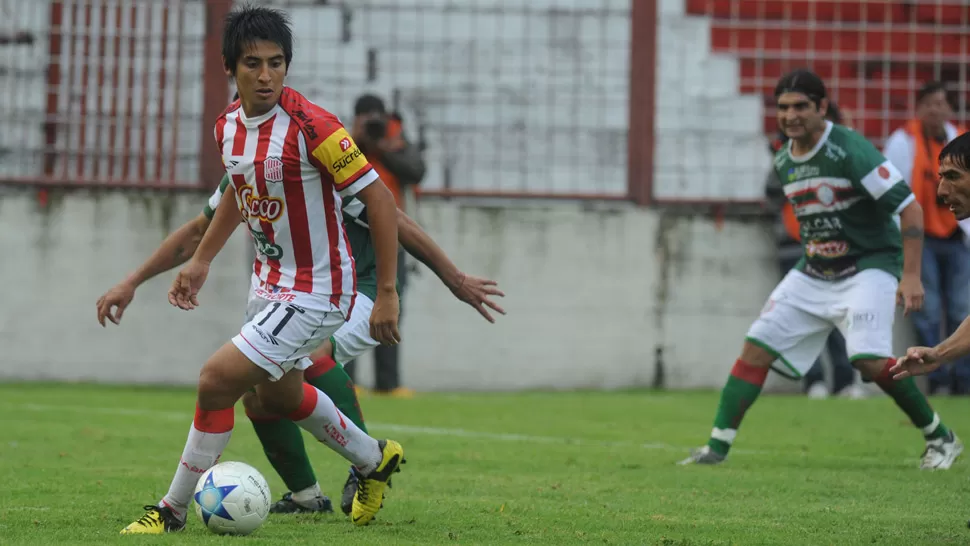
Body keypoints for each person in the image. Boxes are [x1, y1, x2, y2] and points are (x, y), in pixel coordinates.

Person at [115, 5, 404, 533]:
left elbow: (381, 203)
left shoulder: (316, 128)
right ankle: (373, 459)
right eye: (253, 63)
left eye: (276, 62)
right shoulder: (228, 127)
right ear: (231, 68)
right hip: (271, 286)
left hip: (320, 290)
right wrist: (201, 260)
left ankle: (171, 510)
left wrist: (386, 292)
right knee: (275, 396)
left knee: (215, 380)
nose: (266, 75)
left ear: (287, 66)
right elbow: (238, 193)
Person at [97, 172, 505, 517]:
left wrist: (454, 280)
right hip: (290, 293)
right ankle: (307, 496)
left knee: (311, 353)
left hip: (358, 289)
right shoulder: (242, 168)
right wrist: (131, 281)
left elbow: (396, 219)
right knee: (258, 395)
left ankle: (366, 465)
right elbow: (196, 233)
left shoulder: (317, 164)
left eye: (273, 69)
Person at [679, 69, 961, 469]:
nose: (790, 115)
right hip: (815, 269)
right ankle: (715, 449)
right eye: (783, 107)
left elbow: (910, 206)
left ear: (822, 107)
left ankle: (941, 437)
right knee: (756, 348)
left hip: (868, 266)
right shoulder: (783, 159)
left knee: (867, 358)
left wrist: (910, 275)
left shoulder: (848, 148)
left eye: (800, 106)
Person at [764, 100, 859, 399]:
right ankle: (814, 380)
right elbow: (770, 193)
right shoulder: (788, 156)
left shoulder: (847, 158)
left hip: (836, 248)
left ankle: (844, 381)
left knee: (837, 315)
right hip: (795, 246)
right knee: (802, 319)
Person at [883, 82, 970, 395]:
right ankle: (942, 380)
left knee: (959, 305)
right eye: (941, 177)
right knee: (932, 310)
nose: (941, 190)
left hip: (954, 239)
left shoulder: (957, 137)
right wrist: (938, 355)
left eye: (953, 177)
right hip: (927, 241)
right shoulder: (903, 140)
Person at [345, 93, 427, 396]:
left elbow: (415, 171)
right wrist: (360, 142)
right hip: (353, 238)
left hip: (393, 237)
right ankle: (346, 380)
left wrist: (380, 147)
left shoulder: (395, 141)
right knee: (347, 309)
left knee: (392, 309)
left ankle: (388, 382)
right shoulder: (344, 142)